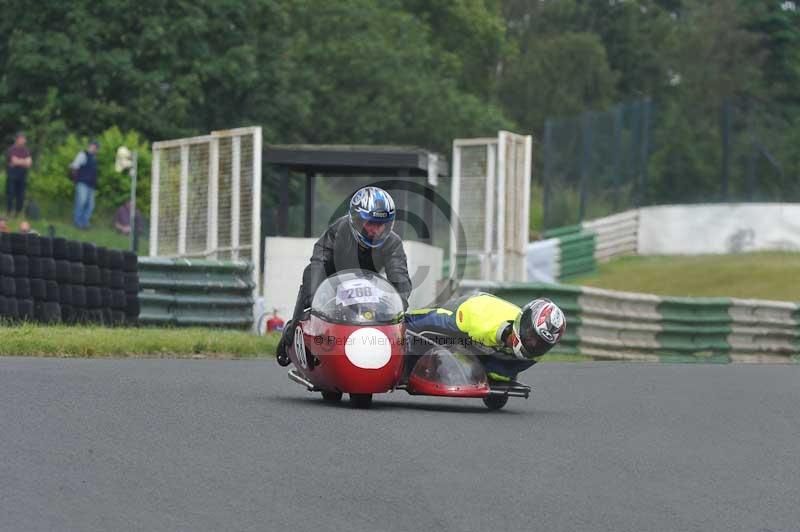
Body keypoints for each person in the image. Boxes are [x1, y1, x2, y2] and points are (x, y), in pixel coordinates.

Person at [275, 186, 412, 365]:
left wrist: (395, 306)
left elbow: (400, 278)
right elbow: (318, 261)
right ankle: (290, 333)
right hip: (330, 282)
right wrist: (315, 299)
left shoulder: (393, 243)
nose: (375, 231)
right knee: (310, 275)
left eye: (382, 224)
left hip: (367, 285)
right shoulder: (338, 229)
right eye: (370, 223)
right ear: (356, 219)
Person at [404, 294, 566, 383]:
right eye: (532, 336)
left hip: (490, 344)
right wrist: (406, 323)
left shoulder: (535, 355)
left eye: (541, 343)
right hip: (470, 308)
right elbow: (436, 318)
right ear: (524, 323)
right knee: (427, 323)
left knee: (498, 374)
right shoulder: (479, 321)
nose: (533, 344)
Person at [70, 140, 100, 229]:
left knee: (90, 205)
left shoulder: (94, 158)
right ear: (91, 146)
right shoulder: (83, 154)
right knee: (81, 202)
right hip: (82, 183)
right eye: (95, 146)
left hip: (91, 185)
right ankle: (78, 222)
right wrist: (75, 180)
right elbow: (75, 167)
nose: (96, 149)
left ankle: (85, 222)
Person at [6, 132, 32, 215]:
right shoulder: (11, 149)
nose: (23, 140)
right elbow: (14, 161)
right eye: (21, 139)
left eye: (24, 139)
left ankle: (18, 212)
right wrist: (23, 161)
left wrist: (19, 161)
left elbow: (29, 163)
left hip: (22, 174)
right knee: (11, 194)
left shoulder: (26, 150)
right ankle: (9, 211)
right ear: (17, 139)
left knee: (21, 195)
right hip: (12, 174)